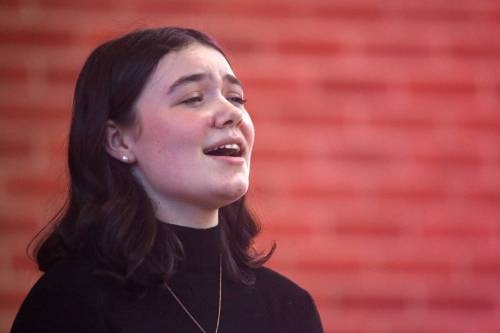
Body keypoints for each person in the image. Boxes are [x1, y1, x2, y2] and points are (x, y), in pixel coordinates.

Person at [11, 27, 323, 333]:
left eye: (236, 97)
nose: (231, 113)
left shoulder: (289, 308)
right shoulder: (71, 305)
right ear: (119, 141)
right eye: (194, 98)